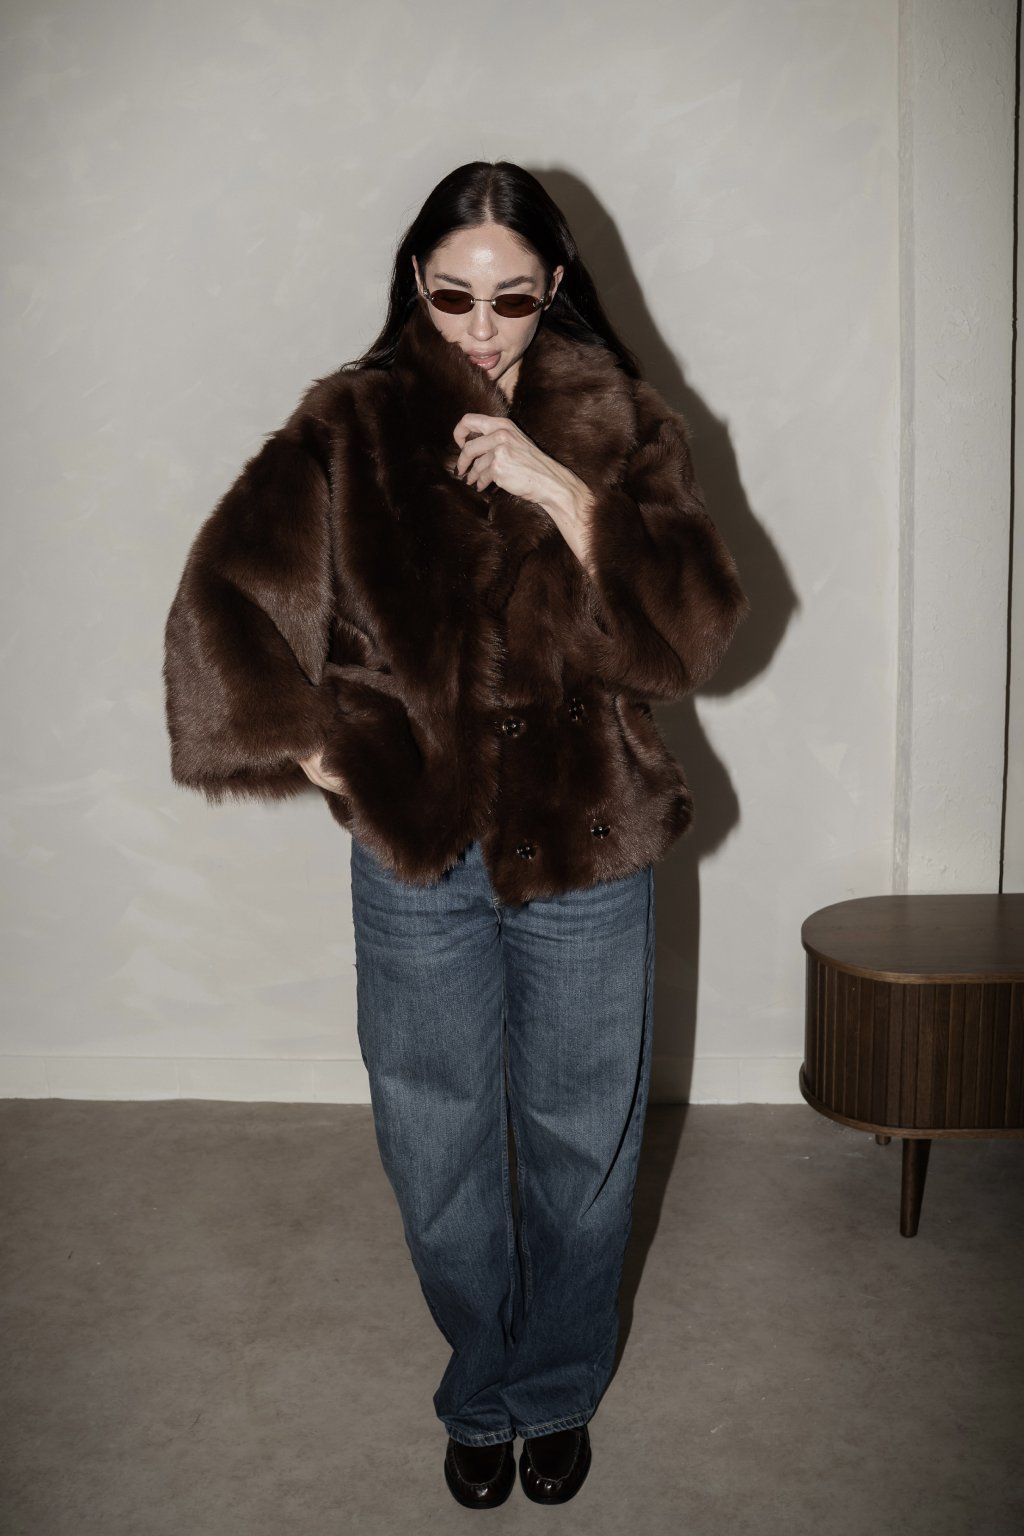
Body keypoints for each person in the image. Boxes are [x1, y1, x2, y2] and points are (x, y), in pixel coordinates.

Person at [162, 160, 750, 1509]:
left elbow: (695, 636)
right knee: (435, 1151)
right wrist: (325, 751)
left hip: (587, 843)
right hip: (418, 856)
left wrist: (564, 492)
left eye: (513, 299)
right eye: (452, 296)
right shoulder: (352, 424)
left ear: (556, 290)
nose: (481, 330)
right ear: (413, 285)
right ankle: (481, 1389)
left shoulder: (622, 424)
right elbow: (220, 604)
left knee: (582, 1146)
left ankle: (556, 1391)